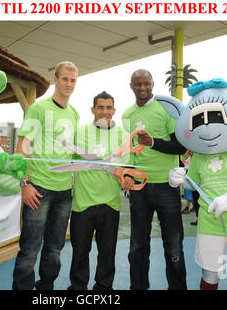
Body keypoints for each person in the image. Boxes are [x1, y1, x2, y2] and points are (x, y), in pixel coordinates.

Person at [12, 61, 80, 290]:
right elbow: (23, 147)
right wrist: (25, 183)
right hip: (38, 189)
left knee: (55, 248)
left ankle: (46, 289)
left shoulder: (74, 114)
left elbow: (72, 151)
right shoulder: (38, 109)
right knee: (30, 249)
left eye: (73, 80)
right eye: (65, 79)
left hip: (64, 193)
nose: (69, 84)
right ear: (56, 79)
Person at [122, 69, 187, 290]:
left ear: (153, 83)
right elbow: (128, 153)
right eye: (137, 84)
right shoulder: (127, 114)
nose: (142, 88)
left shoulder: (166, 108)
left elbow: (180, 147)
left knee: (174, 246)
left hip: (166, 188)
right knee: (137, 246)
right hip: (139, 189)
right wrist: (127, 175)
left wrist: (152, 142)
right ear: (130, 86)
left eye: (146, 83)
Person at [68, 91, 134, 290]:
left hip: (110, 203)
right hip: (82, 203)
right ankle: (78, 289)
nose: (104, 112)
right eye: (100, 107)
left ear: (114, 110)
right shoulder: (79, 132)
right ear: (93, 109)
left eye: (108, 108)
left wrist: (129, 177)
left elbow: (128, 167)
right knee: (80, 252)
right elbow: (67, 161)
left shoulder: (123, 135)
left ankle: (103, 289)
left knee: (107, 252)